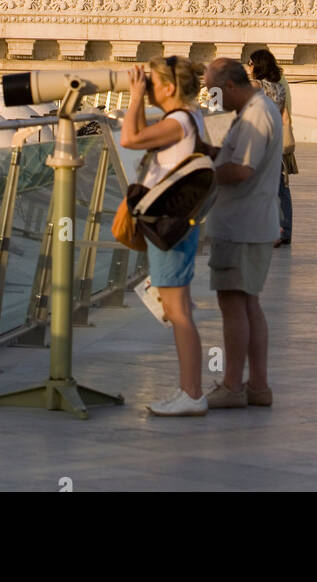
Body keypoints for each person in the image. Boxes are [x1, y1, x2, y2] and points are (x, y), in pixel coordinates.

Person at [121, 57, 208, 417]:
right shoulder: (190, 117)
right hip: (178, 225)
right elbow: (141, 136)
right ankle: (190, 390)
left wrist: (135, 95)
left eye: (154, 82)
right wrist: (142, 95)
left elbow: (129, 138)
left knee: (178, 312)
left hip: (169, 228)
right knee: (179, 309)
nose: (149, 86)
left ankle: (191, 392)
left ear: (169, 88)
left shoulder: (178, 122)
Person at [201, 57, 284, 410]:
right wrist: (211, 153)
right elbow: (234, 158)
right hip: (250, 223)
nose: (211, 98)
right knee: (248, 304)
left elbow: (241, 170)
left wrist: (202, 171)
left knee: (233, 304)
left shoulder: (255, 115)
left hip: (241, 225)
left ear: (231, 86)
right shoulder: (254, 110)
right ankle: (258, 386)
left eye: (214, 90)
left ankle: (233, 385)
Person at [246, 48, 295, 247]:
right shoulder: (280, 87)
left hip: (261, 141)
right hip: (278, 141)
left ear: (257, 66)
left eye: (250, 63)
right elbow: (285, 112)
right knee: (281, 188)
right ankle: (285, 229)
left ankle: (269, 230)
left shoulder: (255, 86)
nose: (248, 67)